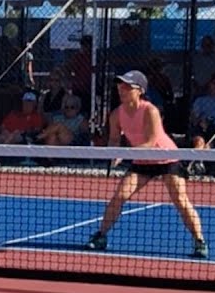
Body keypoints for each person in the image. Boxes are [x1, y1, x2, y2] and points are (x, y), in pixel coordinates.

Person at [86, 70, 208, 258]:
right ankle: (100, 236)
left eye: (127, 86)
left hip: (167, 159)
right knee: (119, 196)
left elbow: (151, 142)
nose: (122, 89)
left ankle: (199, 242)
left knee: (181, 201)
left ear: (139, 90)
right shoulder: (116, 114)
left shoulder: (150, 111)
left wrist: (125, 154)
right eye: (120, 85)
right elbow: (114, 139)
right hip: (141, 161)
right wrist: (114, 153)